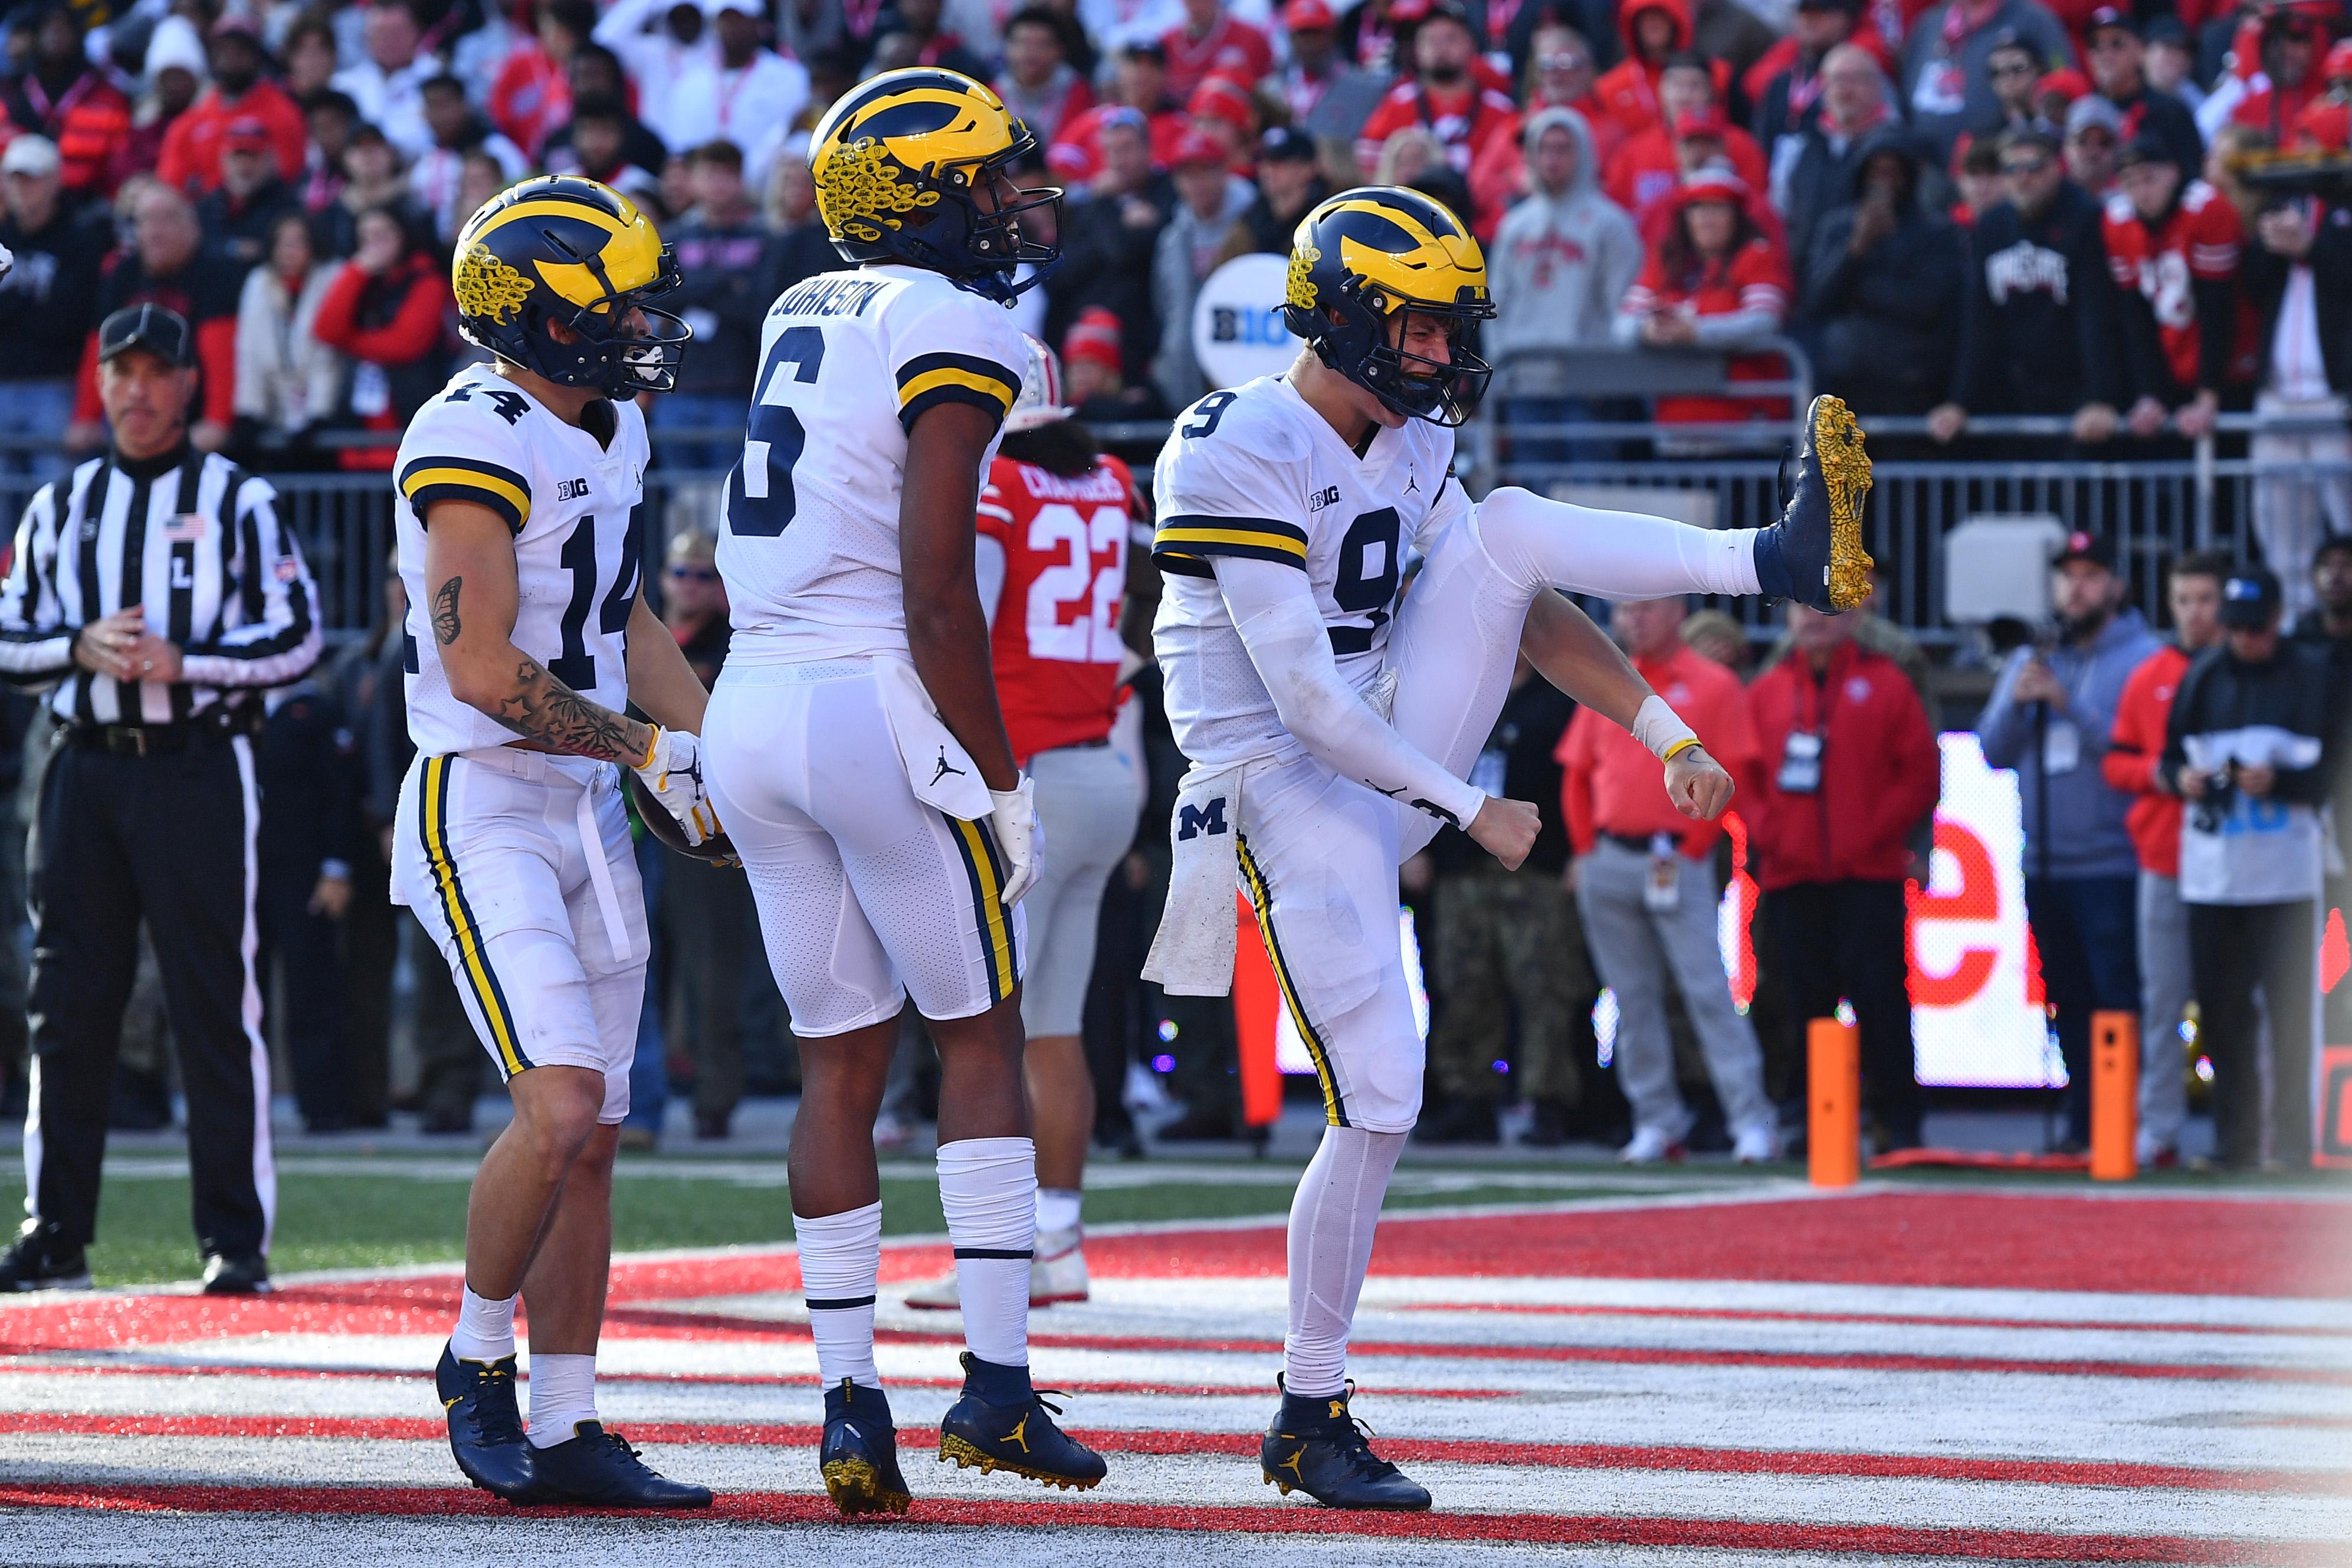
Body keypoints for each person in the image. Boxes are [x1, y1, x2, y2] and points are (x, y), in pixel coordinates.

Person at [1146, 182, 1868, 1506]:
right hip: (1277, 779)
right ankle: (1310, 1409)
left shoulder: (1407, 440)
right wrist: (1468, 804)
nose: (1438, 352)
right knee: (1381, 1097)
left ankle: (1777, 558)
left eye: (1443, 329)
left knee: (1513, 522)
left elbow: (1521, 608)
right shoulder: (1234, 440)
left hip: (1384, 738)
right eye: (1415, 329)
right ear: (1343, 318)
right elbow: (1299, 698)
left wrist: (1661, 727)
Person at [698, 68, 1110, 1516]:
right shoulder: (958, 323)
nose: (1014, 198)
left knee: (837, 1060)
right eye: (990, 176)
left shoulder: (798, 308)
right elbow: (938, 588)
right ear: (923, 194)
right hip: (872, 695)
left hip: (751, 698)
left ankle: (847, 1406)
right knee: (980, 1025)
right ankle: (994, 1387)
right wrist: (999, 780)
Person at [399, 177, 716, 1508]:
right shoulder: (468, 430)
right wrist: (649, 752)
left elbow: (621, 610)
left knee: (598, 1138)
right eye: (620, 296)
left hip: (581, 804)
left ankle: (574, 1419)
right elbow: (479, 668)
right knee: (563, 1104)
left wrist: (714, 753)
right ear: (535, 311)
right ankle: (476, 1360)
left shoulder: (611, 419)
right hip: (483, 800)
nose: (644, 318)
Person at [0, 303, 321, 1294]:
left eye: (155, 370)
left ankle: (234, 1238)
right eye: (119, 370)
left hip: (193, 764)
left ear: (189, 384)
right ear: (97, 383)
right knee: (67, 1002)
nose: (137, 388)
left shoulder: (239, 499)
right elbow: (9, 636)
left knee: (212, 999)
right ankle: (55, 1232)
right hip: (82, 764)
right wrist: (77, 645)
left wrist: (193, 663)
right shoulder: (61, 504)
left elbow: (299, 636)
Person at [904, 335, 1145, 1310]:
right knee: (1055, 1025)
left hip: (1029, 778)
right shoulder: (1112, 478)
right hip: (1106, 764)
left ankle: (995, 1255)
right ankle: (1057, 1237)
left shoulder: (997, 484)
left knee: (989, 1027)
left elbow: (968, 621)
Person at [1558, 596, 1777, 1164]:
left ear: (1677, 613)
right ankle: (1656, 1121)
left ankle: (1751, 1121)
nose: (1633, 619)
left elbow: (1737, 776)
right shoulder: (1605, 681)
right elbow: (1577, 775)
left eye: (1646, 609)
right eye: (1625, 610)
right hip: (1610, 857)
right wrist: (1584, 851)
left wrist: (1696, 845)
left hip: (1676, 856)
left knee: (1707, 991)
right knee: (1631, 999)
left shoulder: (1714, 685)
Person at [1976, 530, 2159, 1152]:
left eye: (2089, 575)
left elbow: (2135, 751)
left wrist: (2070, 706)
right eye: (2066, 576)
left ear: (2117, 586)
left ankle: (2128, 1124)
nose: (2075, 588)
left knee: (2118, 997)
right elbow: (1993, 750)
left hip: (2115, 860)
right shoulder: (2038, 656)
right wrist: (2024, 701)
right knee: (2067, 1001)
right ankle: (2084, 1126)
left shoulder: (2143, 659)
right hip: (2045, 860)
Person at [1747, 599, 1940, 1152]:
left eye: (1827, 610)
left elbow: (1920, 773)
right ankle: (1807, 1118)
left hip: (1868, 875)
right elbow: (1746, 772)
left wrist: (1874, 834)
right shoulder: (1766, 690)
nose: (1813, 619)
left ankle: (1896, 1123)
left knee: (1880, 999)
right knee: (1798, 1001)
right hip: (1791, 876)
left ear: (1856, 618)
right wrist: (1772, 834)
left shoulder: (1887, 683)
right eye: (1802, 609)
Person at [2163, 566, 2331, 1170]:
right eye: (2236, 630)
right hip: (2214, 875)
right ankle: (2234, 1141)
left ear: (2278, 620)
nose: (2245, 641)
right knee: (2223, 1014)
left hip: (2286, 875)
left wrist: (2284, 783)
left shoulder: (2314, 675)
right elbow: (2168, 758)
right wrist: (2179, 779)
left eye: (2255, 630)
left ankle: (2290, 1144)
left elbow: (2336, 767)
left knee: (2290, 1015)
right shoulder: (2203, 674)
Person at [1418, 654, 1590, 1146]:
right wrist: (1416, 846)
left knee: (1546, 988)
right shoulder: (1455, 695)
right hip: (1461, 865)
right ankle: (1469, 1099)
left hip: (1540, 867)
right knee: (1462, 985)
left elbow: (1580, 779)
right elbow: (1419, 767)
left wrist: (1581, 850)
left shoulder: (1565, 690)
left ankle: (1548, 1104)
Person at [2101, 549, 2228, 1167]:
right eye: (2186, 600)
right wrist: (2161, 775)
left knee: (2244, 1003)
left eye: (2207, 599)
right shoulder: (2149, 674)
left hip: (2240, 863)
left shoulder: (2250, 671)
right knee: (2162, 1002)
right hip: (2166, 855)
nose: (2196, 612)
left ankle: (2249, 1127)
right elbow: (2118, 762)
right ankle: (2160, 1129)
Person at [651, 528, 757, 1139]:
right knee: (633, 970)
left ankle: (716, 1097)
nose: (689, 585)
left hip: (706, 829)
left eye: (702, 575)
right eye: (680, 573)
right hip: (640, 824)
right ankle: (638, 1099)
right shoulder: (630, 643)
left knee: (711, 969)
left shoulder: (738, 645)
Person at [1929, 128, 2126, 451]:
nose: (2022, 179)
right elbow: (1980, 320)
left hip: (2075, 387)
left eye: (2033, 168)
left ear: (2056, 169)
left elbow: (2097, 315)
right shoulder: (1992, 225)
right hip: (2016, 387)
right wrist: (1960, 401)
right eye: (2010, 169)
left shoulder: (2085, 218)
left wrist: (2101, 397)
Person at [1487, 106, 1642, 457]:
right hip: (1526, 381)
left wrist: (1612, 376)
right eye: (1545, 148)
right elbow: (1495, 305)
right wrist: (1501, 372)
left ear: (1584, 152)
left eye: (1563, 149)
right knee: (1534, 499)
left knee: (1588, 499)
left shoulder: (1611, 224)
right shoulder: (1515, 225)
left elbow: (1624, 305)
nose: (1553, 159)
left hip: (1589, 385)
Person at [2241, 166, 2352, 624]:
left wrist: (2311, 247)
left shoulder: (2341, 219)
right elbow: (2250, 286)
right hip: (2278, 396)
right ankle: (2291, 629)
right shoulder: (2283, 203)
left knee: (2346, 524)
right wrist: (2271, 242)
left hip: (2335, 400)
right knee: (2281, 530)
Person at [70, 182, 243, 457]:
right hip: (129, 414)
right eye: (146, 220)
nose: (155, 231)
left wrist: (217, 421)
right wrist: (86, 418)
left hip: (191, 422)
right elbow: (97, 347)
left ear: (192, 225)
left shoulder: (215, 273)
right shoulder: (121, 275)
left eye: (167, 219)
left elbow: (222, 353)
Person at [1802, 129, 1966, 417]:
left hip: (1913, 384)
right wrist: (1855, 249)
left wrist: (1858, 292)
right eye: (1876, 172)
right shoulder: (1837, 228)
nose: (1884, 183)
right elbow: (1816, 299)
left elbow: (1926, 305)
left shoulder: (1937, 233)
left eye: (1893, 172)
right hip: (1844, 384)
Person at [2105, 136, 2245, 442]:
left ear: (2173, 173)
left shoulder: (2207, 209)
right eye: (2131, 182)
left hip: (2227, 370)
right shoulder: (2118, 221)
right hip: (2170, 365)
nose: (2142, 192)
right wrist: (2149, 393)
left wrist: (2208, 396)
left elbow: (2218, 310)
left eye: (2149, 179)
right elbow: (2134, 317)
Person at [660, 141, 775, 470]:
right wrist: (726, 282)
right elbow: (665, 299)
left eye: (728, 175)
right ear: (693, 180)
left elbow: (757, 307)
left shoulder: (764, 237)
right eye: (710, 174)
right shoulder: (674, 237)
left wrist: (694, 287)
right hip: (679, 388)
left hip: (736, 390)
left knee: (727, 495)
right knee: (682, 504)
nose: (719, 184)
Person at [311, 208, 451, 471]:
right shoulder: (360, 278)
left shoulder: (427, 278)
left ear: (403, 236)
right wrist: (357, 270)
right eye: (366, 237)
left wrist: (350, 341)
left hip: (411, 429)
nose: (374, 245)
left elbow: (405, 344)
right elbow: (325, 330)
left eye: (382, 235)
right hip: (358, 440)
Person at [0, 136, 106, 484]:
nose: (23, 188)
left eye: (32, 178)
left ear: (55, 180)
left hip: (58, 387)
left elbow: (78, 317)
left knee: (56, 495)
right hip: (3, 382)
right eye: (16, 179)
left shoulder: (82, 240)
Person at [1353, 4, 1523, 178]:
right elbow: (1368, 164)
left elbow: (1515, 175)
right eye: (1431, 40)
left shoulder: (1500, 110)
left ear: (1471, 45)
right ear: (1417, 49)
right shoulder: (1398, 102)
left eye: (1451, 39)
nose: (1441, 48)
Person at [1152, 130, 1254, 409]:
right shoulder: (1173, 237)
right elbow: (1162, 305)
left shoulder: (1252, 224)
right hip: (1184, 375)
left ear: (1224, 172)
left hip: (1243, 367)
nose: (1196, 184)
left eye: (1204, 172)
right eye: (1187, 174)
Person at [155, 15, 309, 199]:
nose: (231, 58)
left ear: (255, 55)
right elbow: (170, 189)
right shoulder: (190, 123)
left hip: (266, 214)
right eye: (224, 50)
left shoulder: (284, 114)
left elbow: (290, 178)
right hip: (205, 218)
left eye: (240, 50)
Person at [1897, 0, 2073, 161]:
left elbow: (2064, 81)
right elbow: (1905, 92)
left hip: (2011, 166)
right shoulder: (1930, 24)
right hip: (1932, 170)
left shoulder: (2034, 20)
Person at [232, 211, 344, 459]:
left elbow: (328, 356)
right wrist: (249, 412)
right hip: (276, 407)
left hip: (323, 413)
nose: (289, 251)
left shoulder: (333, 279)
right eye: (283, 243)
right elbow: (248, 351)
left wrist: (318, 414)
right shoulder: (259, 283)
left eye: (297, 242)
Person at [654, 0, 812, 173]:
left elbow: (795, 142)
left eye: (740, 19)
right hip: (700, 191)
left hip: (768, 191)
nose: (732, 27)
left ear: (757, 23)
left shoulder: (791, 77)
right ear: (714, 24)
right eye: (725, 19)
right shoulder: (688, 83)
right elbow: (679, 147)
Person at [2, 6, 132, 201]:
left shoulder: (106, 95)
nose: (56, 35)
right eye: (49, 27)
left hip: (86, 202)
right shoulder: (12, 90)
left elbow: (118, 164)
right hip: (19, 201)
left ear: (78, 34)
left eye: (64, 28)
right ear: (36, 35)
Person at [2085, 6, 2205, 176]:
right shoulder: (2082, 111)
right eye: (2095, 45)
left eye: (2116, 44)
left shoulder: (2170, 111)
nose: (2105, 55)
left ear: (2140, 50)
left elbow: (2193, 178)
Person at [332, 0, 438, 160]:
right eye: (381, 33)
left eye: (397, 32)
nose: (390, 40)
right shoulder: (343, 85)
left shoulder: (436, 77)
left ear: (416, 33)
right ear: (367, 38)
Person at [197, 120, 304, 275]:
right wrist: (235, 249)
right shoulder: (208, 206)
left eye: (253, 155)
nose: (245, 166)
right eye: (237, 155)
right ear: (224, 160)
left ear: (270, 159)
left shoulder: (288, 208)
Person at [1280, 0, 1391, 145]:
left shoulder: (1363, 87)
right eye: (1304, 33)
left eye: (1317, 32)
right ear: (1291, 38)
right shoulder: (1276, 86)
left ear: (1333, 34)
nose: (1311, 42)